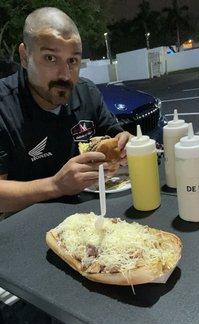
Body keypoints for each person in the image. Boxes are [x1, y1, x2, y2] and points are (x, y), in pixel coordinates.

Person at [0, 7, 132, 214]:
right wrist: (56, 185)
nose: (65, 74)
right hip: (25, 222)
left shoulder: (86, 92)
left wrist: (126, 142)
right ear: (25, 56)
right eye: (50, 58)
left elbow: (115, 133)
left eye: (73, 60)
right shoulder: (4, 106)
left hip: (89, 211)